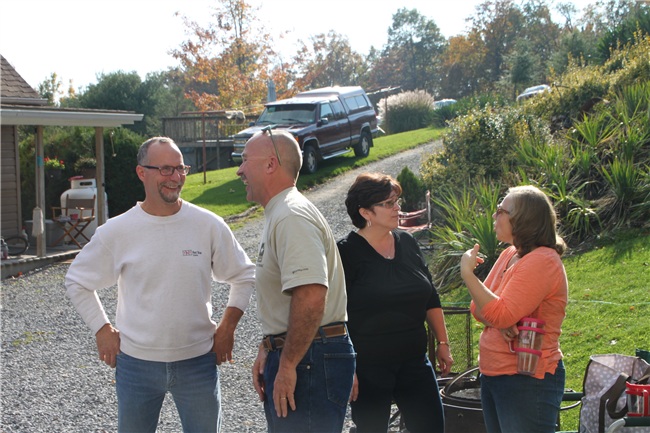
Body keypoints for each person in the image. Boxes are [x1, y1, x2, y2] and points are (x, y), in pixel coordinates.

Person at [65, 137, 255, 433]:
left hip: (197, 362)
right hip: (136, 364)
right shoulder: (118, 230)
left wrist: (227, 328)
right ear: (142, 172)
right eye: (165, 169)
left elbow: (244, 274)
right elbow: (77, 280)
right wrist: (101, 329)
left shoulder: (208, 225)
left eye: (180, 169)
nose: (175, 177)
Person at [236, 128, 355, 432]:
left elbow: (311, 295)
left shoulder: (291, 215)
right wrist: (269, 345)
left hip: (308, 357)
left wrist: (288, 363)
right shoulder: (283, 212)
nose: (239, 170)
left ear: (270, 164)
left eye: (245, 160)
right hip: (307, 353)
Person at [337, 172, 453, 433]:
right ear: (365, 212)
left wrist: (443, 343)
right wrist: (347, 367)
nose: (397, 208)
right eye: (388, 203)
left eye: (396, 201)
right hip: (368, 368)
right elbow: (335, 314)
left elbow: (431, 297)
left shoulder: (407, 242)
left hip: (415, 362)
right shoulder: (345, 253)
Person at [460, 185, 568, 433]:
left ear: (523, 220)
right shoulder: (510, 253)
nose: (494, 215)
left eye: (501, 210)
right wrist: (501, 321)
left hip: (527, 380)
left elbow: (498, 313)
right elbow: (478, 308)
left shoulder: (542, 261)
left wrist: (468, 274)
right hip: (495, 375)